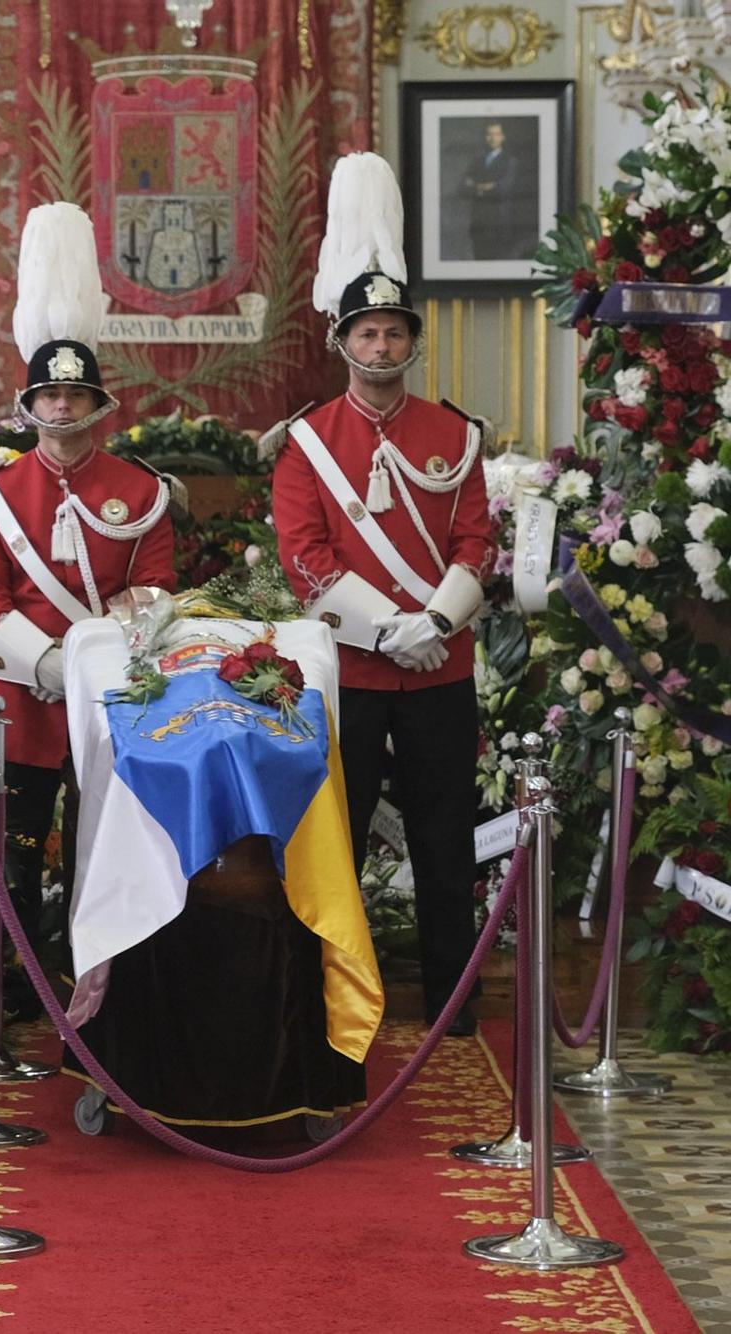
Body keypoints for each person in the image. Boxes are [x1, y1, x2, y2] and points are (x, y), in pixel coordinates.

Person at [270, 153, 493, 1037]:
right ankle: (332, 998)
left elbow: (477, 540)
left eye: (395, 333)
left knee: (447, 846)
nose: (382, 347)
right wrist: (389, 632)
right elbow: (305, 558)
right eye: (367, 335)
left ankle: (452, 1002)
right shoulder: (307, 444)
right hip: (354, 677)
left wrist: (433, 622)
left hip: (442, 668)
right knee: (340, 848)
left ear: (413, 342)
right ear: (342, 342)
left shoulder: (456, 434)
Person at [0, 202, 176, 975]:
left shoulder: (138, 489)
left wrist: (103, 652)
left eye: (75, 397)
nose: (61, 408)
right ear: (29, 406)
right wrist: (45, 665)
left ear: (97, 406)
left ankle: (103, 986)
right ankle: (12, 996)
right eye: (48, 397)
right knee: (10, 864)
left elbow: (155, 587)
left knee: (111, 858)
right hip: (16, 703)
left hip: (113, 703)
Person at [461, 121, 523, 261]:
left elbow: (504, 188)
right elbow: (462, 187)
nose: (492, 138)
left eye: (496, 134)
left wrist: (476, 186)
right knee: (479, 262)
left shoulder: (510, 161)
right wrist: (487, 186)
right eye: (489, 134)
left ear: (503, 137)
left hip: (499, 223)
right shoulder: (477, 161)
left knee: (498, 263)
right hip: (478, 223)